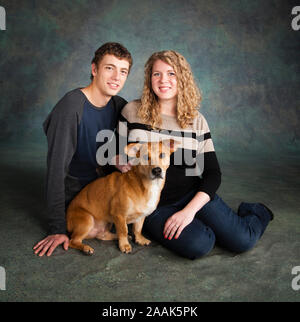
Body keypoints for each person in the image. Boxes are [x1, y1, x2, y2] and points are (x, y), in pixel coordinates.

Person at [117, 50, 273, 260]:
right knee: (199, 244)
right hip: (152, 207)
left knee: (242, 241)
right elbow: (112, 154)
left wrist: (189, 211)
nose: (164, 80)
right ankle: (200, 228)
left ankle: (255, 210)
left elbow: (212, 173)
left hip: (192, 196)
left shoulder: (196, 121)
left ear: (182, 78)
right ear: (149, 79)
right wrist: (117, 161)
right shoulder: (131, 111)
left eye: (171, 74)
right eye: (157, 74)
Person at [33, 42, 133, 256]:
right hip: (79, 197)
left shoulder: (120, 106)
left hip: (103, 190)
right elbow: (56, 171)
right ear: (94, 69)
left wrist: (115, 158)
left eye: (122, 71)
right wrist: (57, 229)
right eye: (109, 68)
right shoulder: (71, 107)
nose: (116, 77)